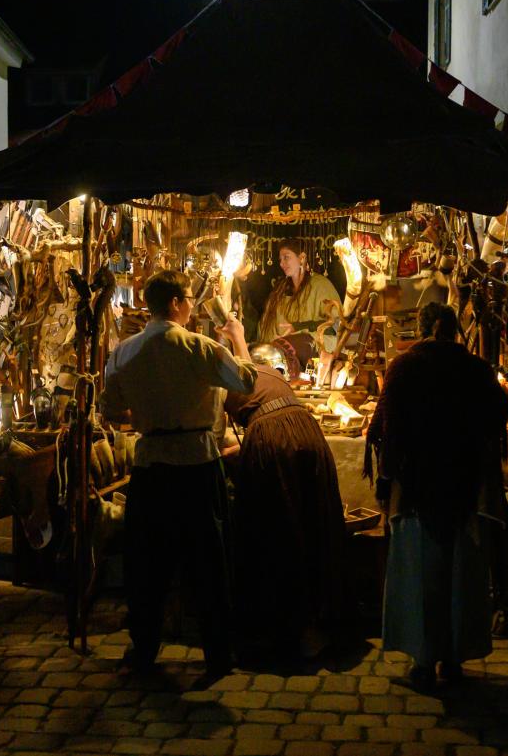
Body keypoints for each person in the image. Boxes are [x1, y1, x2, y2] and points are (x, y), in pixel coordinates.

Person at [101, 269, 257, 679]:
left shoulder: (125, 352)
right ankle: (217, 655)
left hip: (150, 464)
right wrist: (238, 338)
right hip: (195, 463)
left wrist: (149, 413)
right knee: (207, 563)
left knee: (147, 564)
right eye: (189, 298)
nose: (191, 304)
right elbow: (247, 379)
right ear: (175, 303)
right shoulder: (196, 347)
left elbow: (110, 409)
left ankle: (145, 648)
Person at [367, 301, 508, 691]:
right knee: (459, 574)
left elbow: (386, 427)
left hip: (416, 486)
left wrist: (386, 477)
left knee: (421, 574)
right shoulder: (475, 369)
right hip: (461, 484)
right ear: (452, 329)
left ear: (422, 327)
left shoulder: (405, 367)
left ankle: (423, 662)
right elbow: (502, 411)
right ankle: (452, 660)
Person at [221, 353, 347, 661]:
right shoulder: (263, 372)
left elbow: (219, 439)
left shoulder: (219, 383)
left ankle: (287, 629)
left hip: (272, 439)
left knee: (279, 526)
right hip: (306, 428)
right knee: (315, 519)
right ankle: (322, 622)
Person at [256, 238, 340, 342]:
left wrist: (300, 328)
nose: (281, 264)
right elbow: (266, 324)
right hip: (278, 350)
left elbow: (336, 325)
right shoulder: (280, 290)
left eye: (286, 257)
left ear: (302, 258)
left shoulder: (321, 285)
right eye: (280, 260)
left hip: (314, 347)